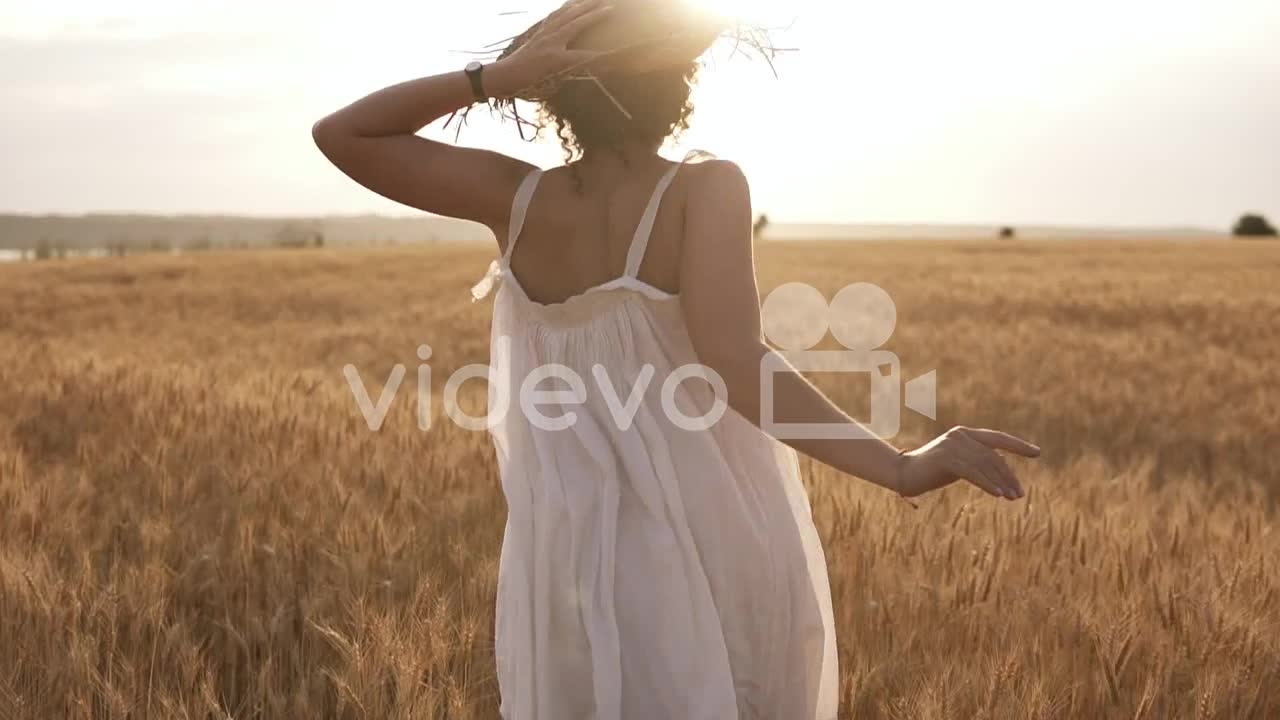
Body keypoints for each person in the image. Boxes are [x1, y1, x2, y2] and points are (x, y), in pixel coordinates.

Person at [313, 1, 1040, 717]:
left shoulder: (515, 199)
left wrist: (492, 80)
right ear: (676, 89)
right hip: (710, 524)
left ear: (555, 95)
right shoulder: (705, 188)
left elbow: (343, 132)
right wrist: (902, 468)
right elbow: (736, 361)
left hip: (567, 549)